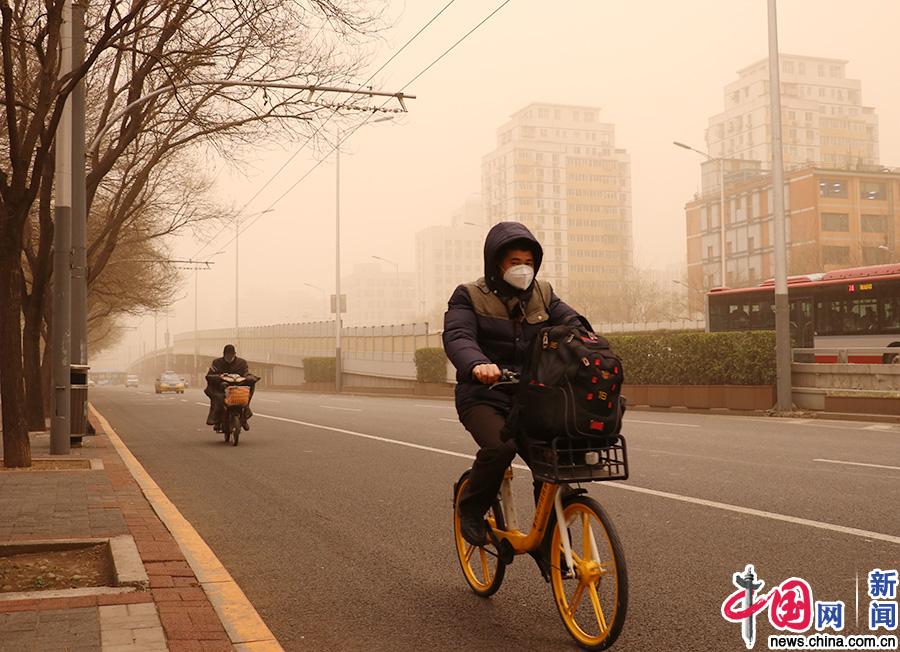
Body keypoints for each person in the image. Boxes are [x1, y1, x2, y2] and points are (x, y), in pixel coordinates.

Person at [443, 222, 585, 545]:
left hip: (530, 396)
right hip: (483, 395)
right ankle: (470, 510)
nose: (523, 269)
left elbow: (574, 326)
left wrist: (594, 350)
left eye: (529, 262)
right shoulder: (469, 296)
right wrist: (478, 364)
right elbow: (458, 336)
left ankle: (549, 541)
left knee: (553, 461)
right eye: (514, 262)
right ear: (496, 264)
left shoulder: (543, 294)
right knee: (500, 447)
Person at [205, 344, 254, 431]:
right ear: (224, 354)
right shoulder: (217, 363)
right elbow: (209, 376)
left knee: (245, 395)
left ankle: (244, 418)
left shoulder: (242, 363)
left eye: (231, 355)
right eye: (227, 355)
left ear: (235, 354)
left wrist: (247, 377)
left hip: (238, 387)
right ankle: (217, 420)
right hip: (221, 388)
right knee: (218, 399)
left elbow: (246, 373)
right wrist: (220, 377)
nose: (229, 357)